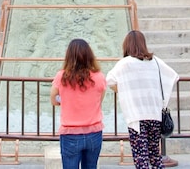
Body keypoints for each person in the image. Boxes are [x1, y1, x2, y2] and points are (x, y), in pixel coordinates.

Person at [105, 30, 179, 169]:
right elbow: (173, 76)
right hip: (154, 114)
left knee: (141, 158)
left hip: (136, 116)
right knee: (155, 156)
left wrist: (126, 90)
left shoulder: (125, 63)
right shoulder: (155, 61)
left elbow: (109, 81)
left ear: (127, 45)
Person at [50, 39, 106, 169]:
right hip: (94, 131)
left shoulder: (62, 76)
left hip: (70, 133)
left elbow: (54, 99)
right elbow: (99, 100)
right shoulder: (99, 76)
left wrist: (66, 100)